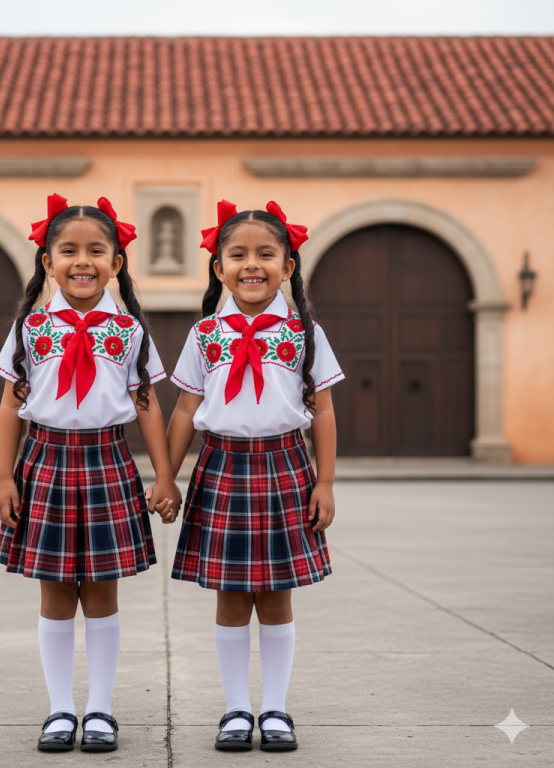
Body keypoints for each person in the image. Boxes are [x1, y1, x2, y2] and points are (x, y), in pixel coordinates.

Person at [0, 194, 181, 753]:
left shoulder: (128, 331)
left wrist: (165, 476)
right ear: (46, 261)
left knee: (101, 592)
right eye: (68, 249)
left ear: (116, 263)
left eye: (97, 250)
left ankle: (99, 709)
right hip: (45, 463)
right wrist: (5, 477)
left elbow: (147, 404)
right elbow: (10, 404)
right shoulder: (30, 327)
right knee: (55, 593)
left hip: (107, 462)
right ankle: (58, 710)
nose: (83, 260)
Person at [165, 200, 344, 751]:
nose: (252, 264)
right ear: (218, 267)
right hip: (221, 468)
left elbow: (326, 410)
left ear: (288, 266)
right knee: (230, 597)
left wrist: (326, 483)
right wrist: (165, 477)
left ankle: (276, 709)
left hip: (286, 467)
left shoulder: (304, 335)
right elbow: (183, 412)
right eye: (237, 254)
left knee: (277, 597)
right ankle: (236, 710)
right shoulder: (205, 336)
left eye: (267, 254)